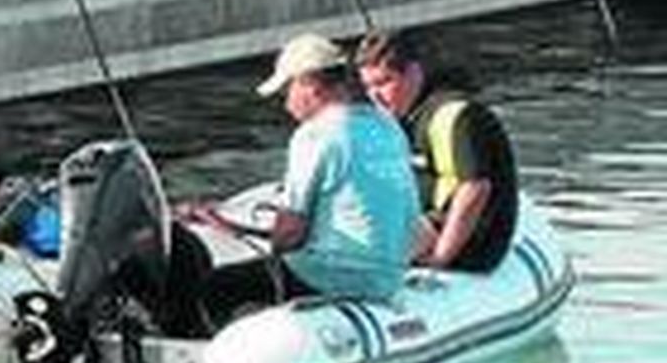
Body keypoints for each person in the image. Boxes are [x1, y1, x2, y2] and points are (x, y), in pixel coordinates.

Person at [201, 32, 419, 322]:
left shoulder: (316, 134)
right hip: (389, 277)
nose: (286, 104)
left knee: (216, 286)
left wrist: (269, 249)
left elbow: (290, 233)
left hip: (332, 276)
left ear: (309, 84)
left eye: (287, 91)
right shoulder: (387, 125)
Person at [356, 29, 519, 272]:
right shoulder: (403, 116)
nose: (375, 96)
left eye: (383, 82)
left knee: (361, 251)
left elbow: (475, 188)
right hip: (424, 222)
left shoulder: (454, 116)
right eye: (368, 87)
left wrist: (441, 256)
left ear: (413, 73)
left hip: (468, 239)